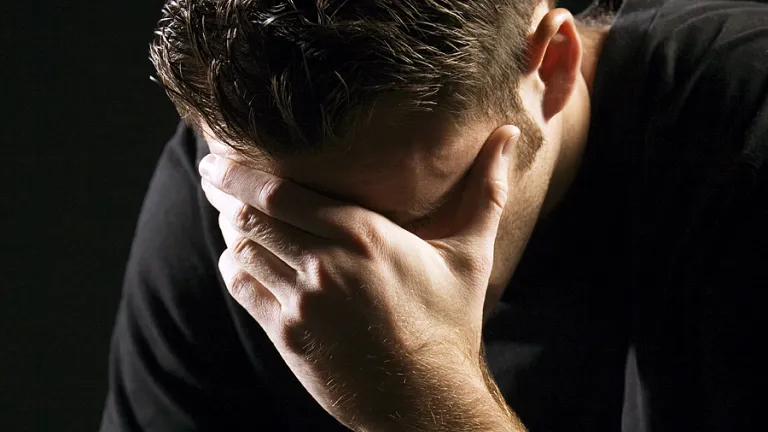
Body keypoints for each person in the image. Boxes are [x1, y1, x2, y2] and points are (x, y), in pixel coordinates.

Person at [100, 0, 767, 430]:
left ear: (553, 67)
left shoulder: (745, 139)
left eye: (408, 220)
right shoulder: (239, 190)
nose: (353, 274)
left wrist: (431, 403)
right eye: (299, 230)